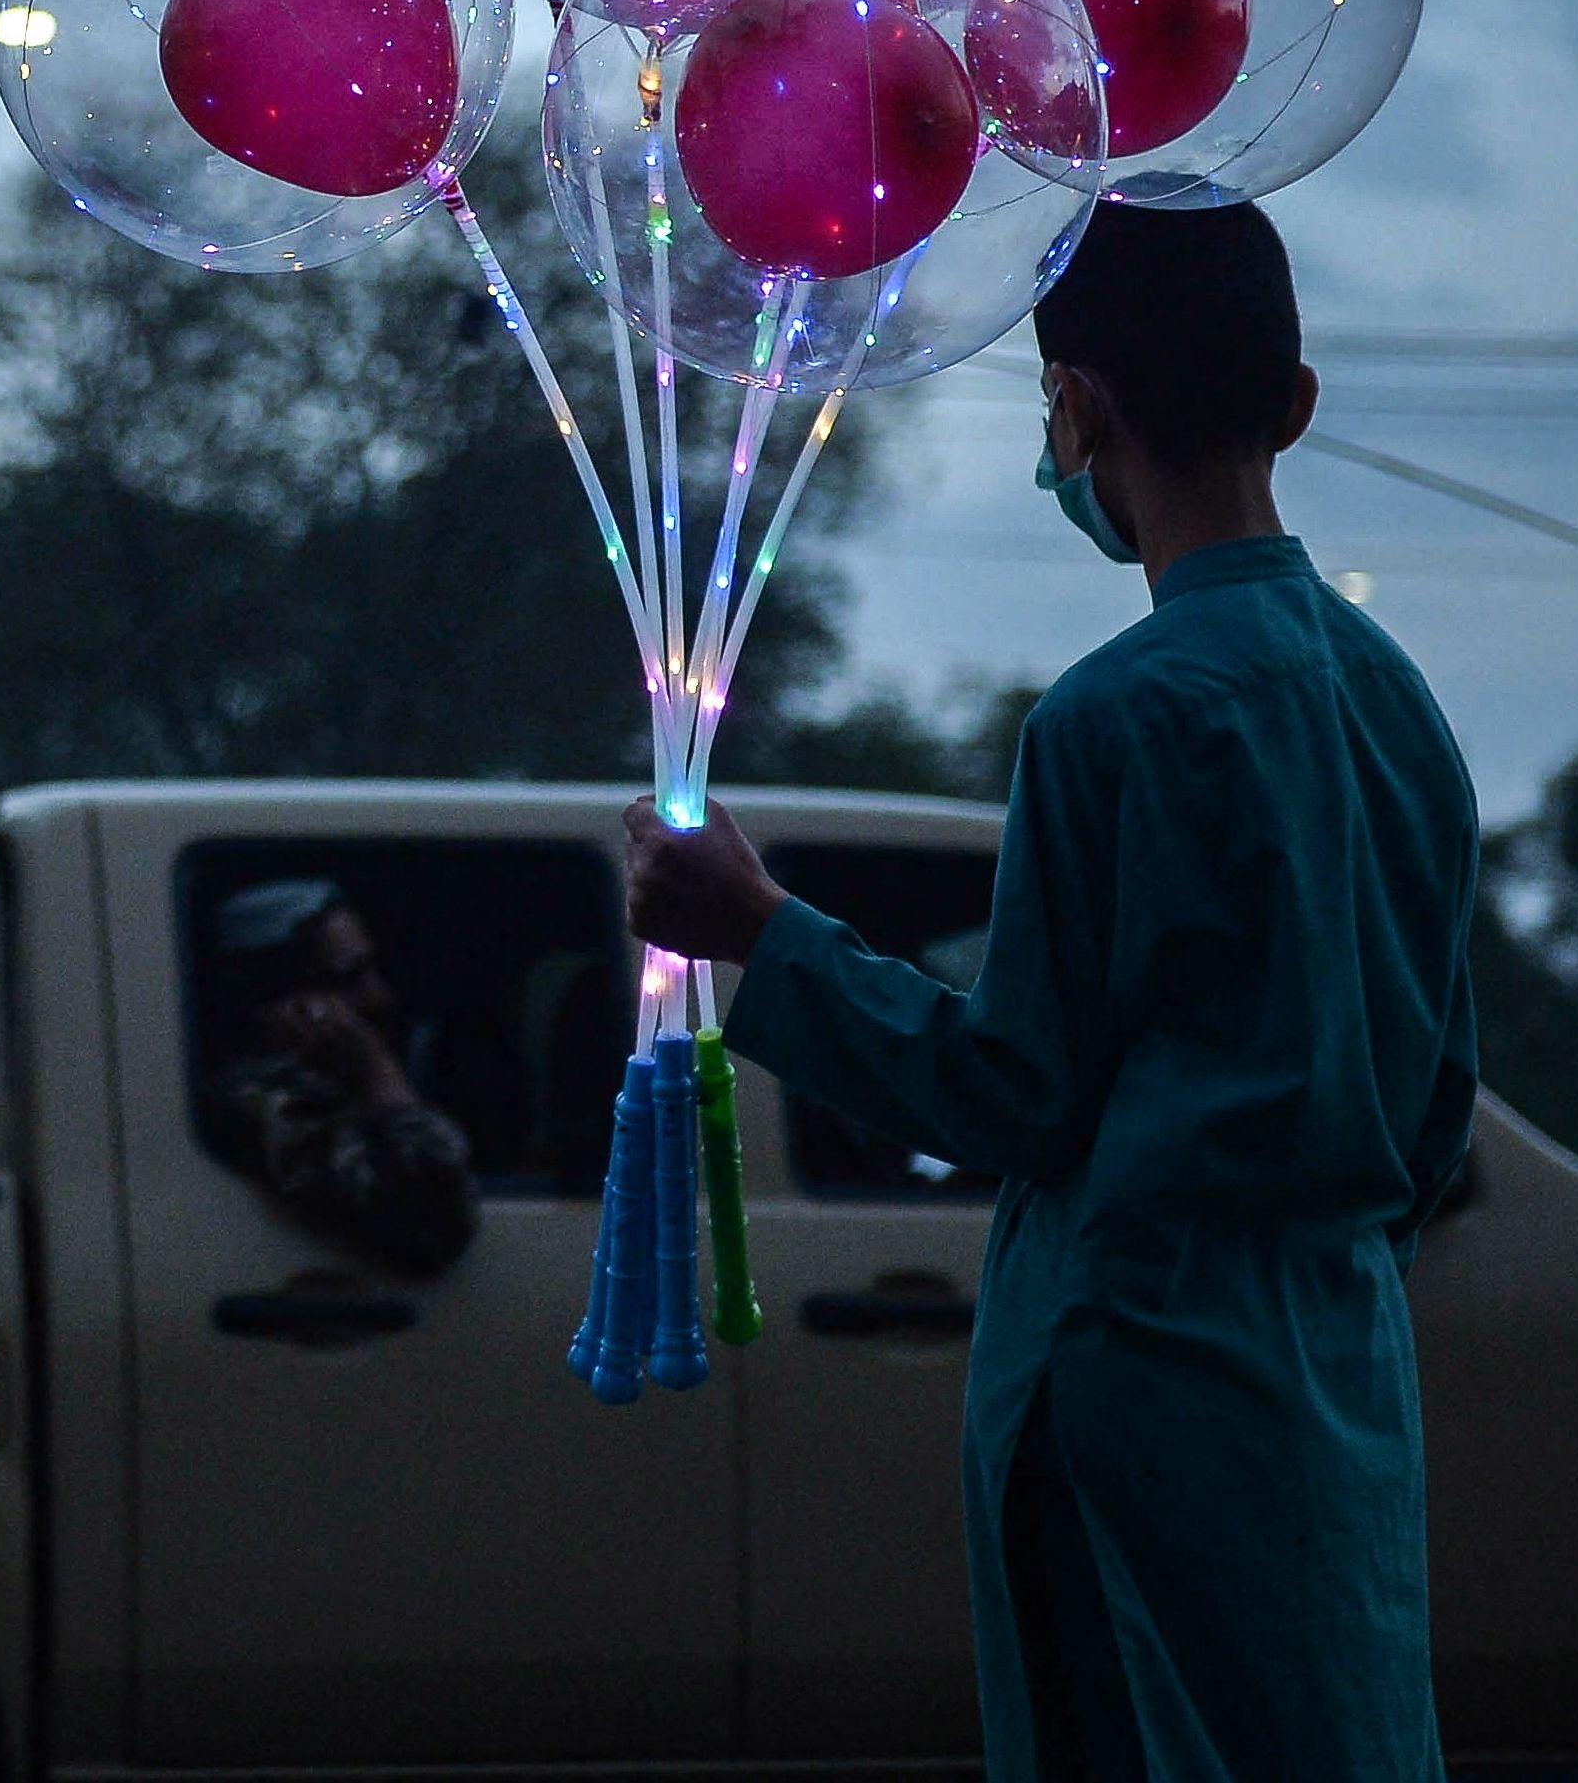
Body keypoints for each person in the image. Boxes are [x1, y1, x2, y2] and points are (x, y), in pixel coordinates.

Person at [623, 201, 1478, 1783]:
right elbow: (1434, 1108)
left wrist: (761, 930)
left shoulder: (1109, 722)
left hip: (1137, 1359)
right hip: (1341, 1359)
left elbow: (1009, 1090)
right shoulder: (1395, 706)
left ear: (1071, 409)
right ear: (1292, 404)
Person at [201, 878, 479, 1275]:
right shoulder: (258, 1099)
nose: (379, 996)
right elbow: (435, 1221)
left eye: (373, 971)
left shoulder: (325, 1076)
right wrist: (376, 1072)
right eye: (348, 980)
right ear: (285, 1002)